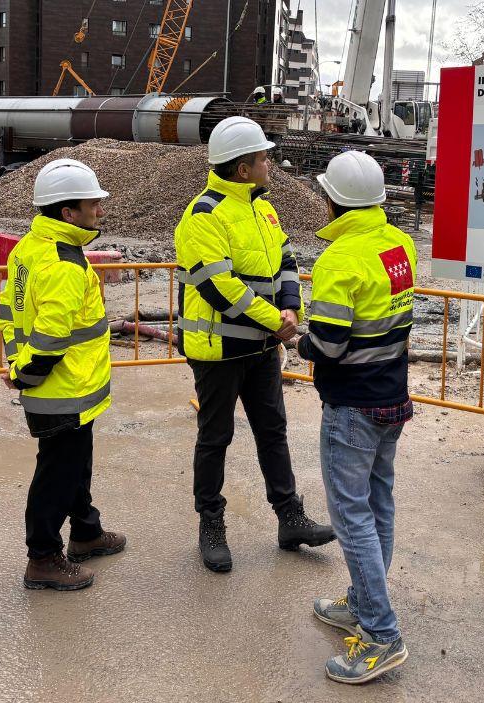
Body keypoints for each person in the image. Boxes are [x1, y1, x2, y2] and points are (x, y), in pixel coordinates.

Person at [174, 115, 334, 573]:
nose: (270, 163)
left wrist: (291, 308)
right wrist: (276, 323)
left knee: (272, 431)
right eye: (264, 157)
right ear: (243, 167)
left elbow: (285, 260)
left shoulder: (264, 208)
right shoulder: (203, 215)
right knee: (215, 438)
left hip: (261, 347)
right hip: (219, 352)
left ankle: (290, 518)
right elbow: (218, 286)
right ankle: (211, 525)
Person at [297, 151, 414, 685]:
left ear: (333, 200)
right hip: (391, 395)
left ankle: (380, 635)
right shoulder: (399, 244)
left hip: (352, 406)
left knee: (352, 518)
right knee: (378, 503)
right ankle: (365, 600)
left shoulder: (339, 260)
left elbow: (330, 343)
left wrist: (295, 338)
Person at [0, 159, 126, 592]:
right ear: (68, 213)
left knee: (75, 465)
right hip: (61, 389)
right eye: (93, 204)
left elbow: (7, 311)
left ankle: (86, 533)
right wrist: (25, 374)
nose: (100, 211)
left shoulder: (30, 248)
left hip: (64, 387)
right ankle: (43, 557)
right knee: (57, 474)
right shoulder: (63, 263)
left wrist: (16, 363)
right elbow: (51, 337)